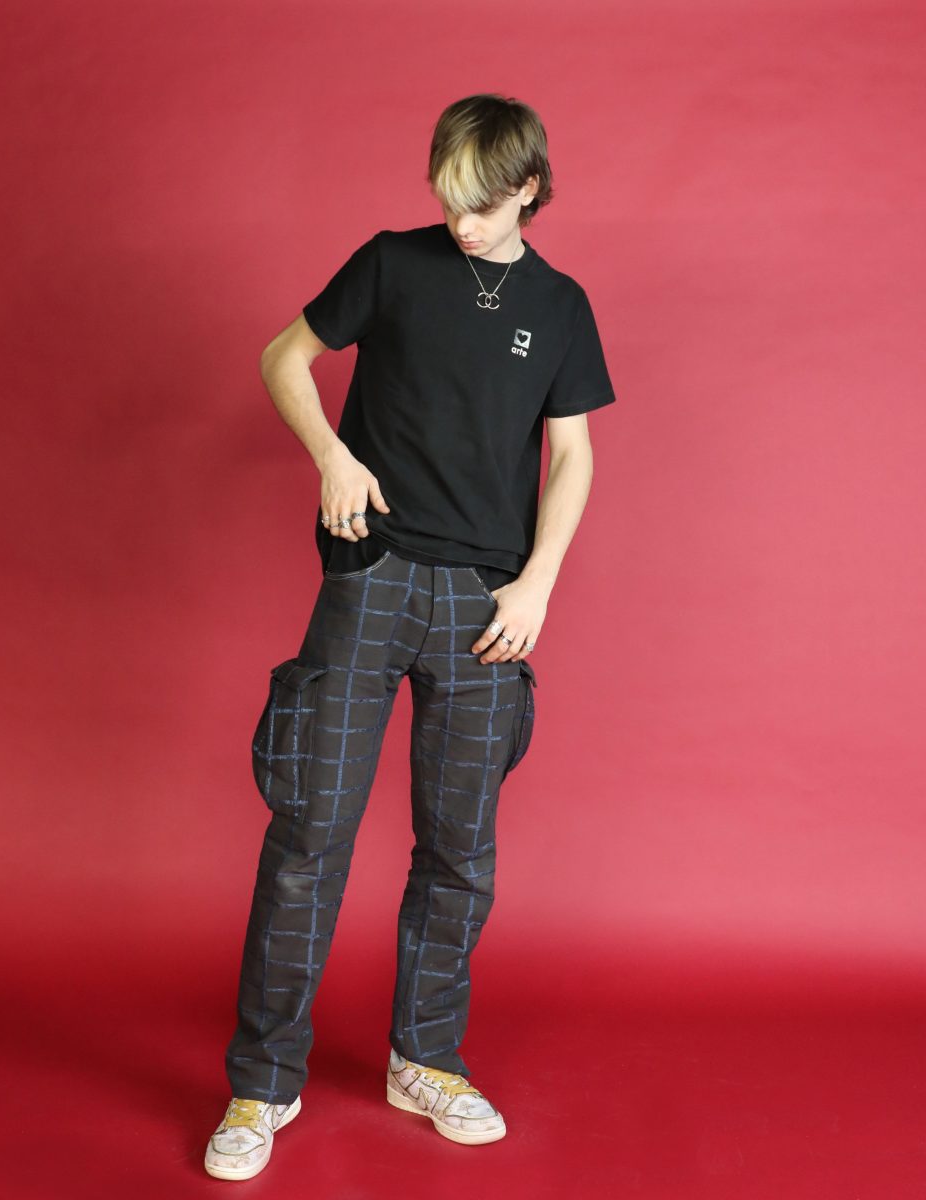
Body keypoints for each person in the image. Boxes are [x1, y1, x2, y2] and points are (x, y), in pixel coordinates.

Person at [204, 92, 617, 1181]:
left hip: (486, 608)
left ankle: (424, 1059)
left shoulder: (561, 306)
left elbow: (572, 455)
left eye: (481, 204)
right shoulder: (390, 262)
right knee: (309, 835)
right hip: (371, 580)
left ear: (528, 189)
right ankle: (262, 1082)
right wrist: (332, 457)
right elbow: (282, 359)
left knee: (458, 853)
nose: (461, 222)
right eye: (447, 199)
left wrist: (537, 584)